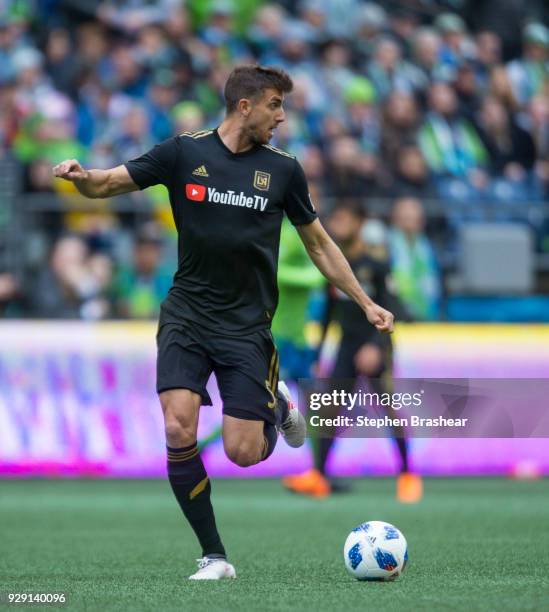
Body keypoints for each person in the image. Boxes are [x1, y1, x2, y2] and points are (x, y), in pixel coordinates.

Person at [53, 65, 394, 581]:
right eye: (275, 105)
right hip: (186, 315)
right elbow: (108, 184)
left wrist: (364, 301)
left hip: (246, 326)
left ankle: (273, 404)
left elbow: (319, 243)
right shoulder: (183, 153)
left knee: (243, 452)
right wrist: (82, 179)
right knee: (177, 425)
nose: (281, 116)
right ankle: (214, 555)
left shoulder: (284, 171)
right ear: (245, 106)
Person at [282, 202, 421, 503]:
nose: (337, 223)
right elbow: (329, 314)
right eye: (335, 218)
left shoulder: (377, 264)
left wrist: (375, 345)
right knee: (328, 410)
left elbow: (391, 306)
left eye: (344, 217)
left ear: (359, 221)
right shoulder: (332, 265)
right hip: (346, 346)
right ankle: (318, 475)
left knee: (388, 408)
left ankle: (408, 475)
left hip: (375, 344)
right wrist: (318, 356)